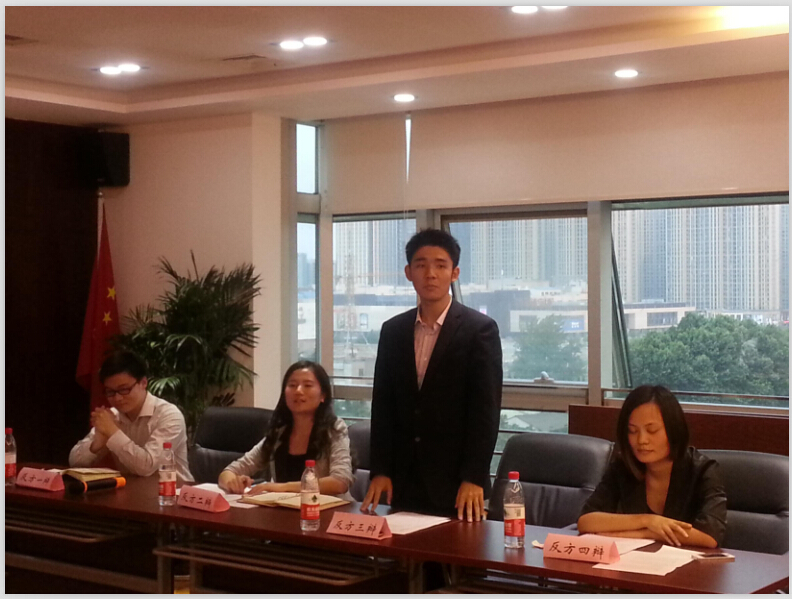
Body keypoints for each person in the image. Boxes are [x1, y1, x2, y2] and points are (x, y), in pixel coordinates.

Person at [361, 228, 503, 522]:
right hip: (403, 479)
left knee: (456, 550)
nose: (430, 274)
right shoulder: (393, 330)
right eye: (421, 265)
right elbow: (383, 405)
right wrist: (381, 470)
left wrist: (474, 476)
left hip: (456, 483)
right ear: (408, 272)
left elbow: (485, 412)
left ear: (455, 273)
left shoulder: (479, 330)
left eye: (440, 265)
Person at [577, 385, 726, 548]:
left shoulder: (703, 470)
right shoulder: (623, 467)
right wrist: (647, 520)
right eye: (633, 431)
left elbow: (710, 535)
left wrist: (646, 533)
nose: (641, 440)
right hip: (636, 560)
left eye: (652, 430)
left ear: (673, 429)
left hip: (687, 562)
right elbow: (586, 521)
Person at [218, 361, 354, 499]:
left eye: (307, 385)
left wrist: (281, 488)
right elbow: (230, 471)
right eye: (292, 385)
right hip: (285, 509)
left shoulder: (334, 428)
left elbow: (340, 482)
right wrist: (233, 482)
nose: (298, 391)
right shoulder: (280, 432)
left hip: (326, 509)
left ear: (323, 395)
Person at [69, 350, 193, 482]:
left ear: (143, 383)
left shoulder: (169, 415)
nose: (117, 398)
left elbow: (146, 467)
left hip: (173, 491)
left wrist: (112, 432)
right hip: (132, 490)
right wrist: (96, 444)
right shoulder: (113, 415)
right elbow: (74, 463)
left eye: (124, 389)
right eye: (110, 392)